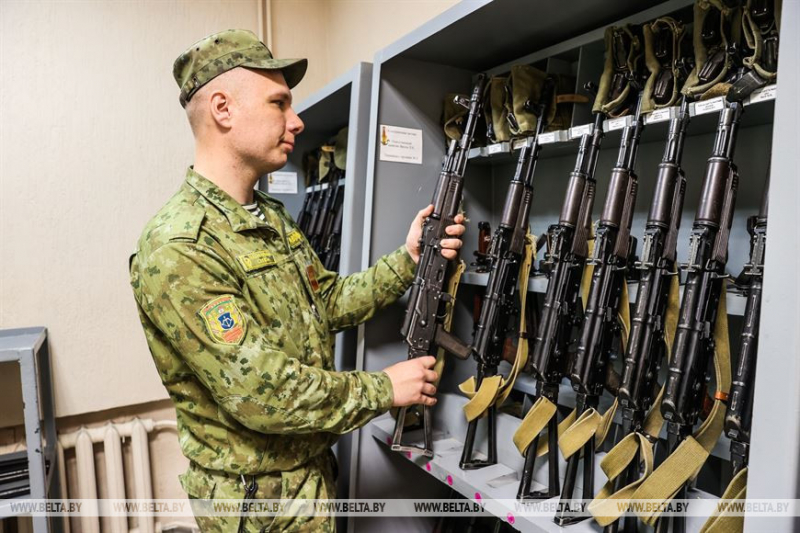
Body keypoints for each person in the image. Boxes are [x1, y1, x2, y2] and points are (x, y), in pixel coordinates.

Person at [129, 29, 466, 532]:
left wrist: (408, 259)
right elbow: (263, 394)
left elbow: (324, 302)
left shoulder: (266, 215)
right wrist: (382, 388)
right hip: (256, 505)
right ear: (223, 108)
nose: (297, 120)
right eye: (279, 102)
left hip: (308, 481)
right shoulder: (180, 247)